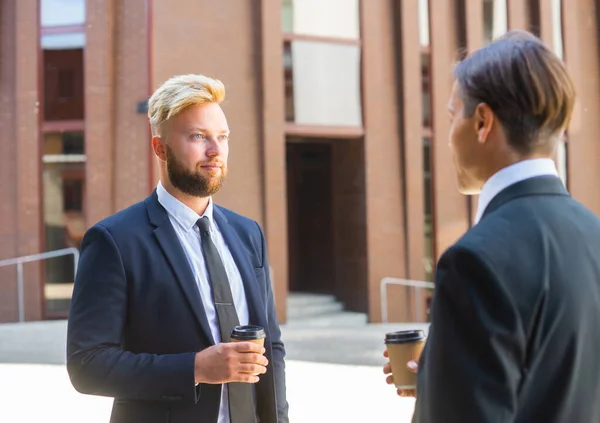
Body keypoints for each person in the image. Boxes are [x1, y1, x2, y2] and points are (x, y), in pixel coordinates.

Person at [384, 30, 600, 422]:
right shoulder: (593, 234)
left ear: (483, 121)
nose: (448, 137)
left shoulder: (474, 262)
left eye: (451, 117)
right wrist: (442, 371)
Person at [67, 74, 289, 423]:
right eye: (199, 137)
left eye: (222, 137)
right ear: (160, 148)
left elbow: (271, 348)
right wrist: (195, 368)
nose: (215, 150)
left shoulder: (248, 233)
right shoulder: (115, 240)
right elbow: (87, 365)